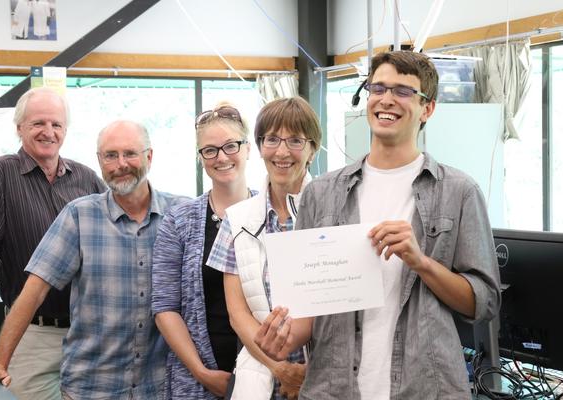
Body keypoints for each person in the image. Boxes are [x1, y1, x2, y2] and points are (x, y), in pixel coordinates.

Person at [254, 51, 502, 400]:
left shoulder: (459, 192)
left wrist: (421, 262)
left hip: (426, 388)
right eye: (378, 88)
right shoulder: (321, 193)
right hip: (334, 389)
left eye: (403, 91)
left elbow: (484, 303)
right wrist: (282, 340)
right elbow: (309, 309)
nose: (387, 99)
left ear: (427, 108)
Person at [0, 120, 189, 399]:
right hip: (91, 388)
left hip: (160, 386)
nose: (120, 164)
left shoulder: (182, 214)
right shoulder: (79, 215)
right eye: (110, 156)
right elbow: (33, 292)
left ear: (149, 156)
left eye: (130, 153)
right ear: (100, 162)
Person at [0, 87, 105, 400]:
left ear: (65, 130)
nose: (48, 132)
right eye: (38, 123)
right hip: (33, 336)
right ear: (19, 128)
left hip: (89, 336)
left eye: (56, 124)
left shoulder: (88, 179)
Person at [207, 97, 322, 400]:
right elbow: (238, 314)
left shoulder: (334, 212)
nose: (282, 152)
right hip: (259, 377)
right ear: (258, 147)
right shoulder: (238, 219)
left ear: (313, 148)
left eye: (295, 140)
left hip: (325, 372)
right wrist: (280, 368)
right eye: (272, 139)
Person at [152, 104, 254, 399]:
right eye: (210, 150)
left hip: (265, 372)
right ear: (201, 158)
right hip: (197, 380)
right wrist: (201, 373)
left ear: (248, 149)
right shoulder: (179, 220)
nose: (221, 157)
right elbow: (164, 306)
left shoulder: (272, 213)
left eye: (231, 146)